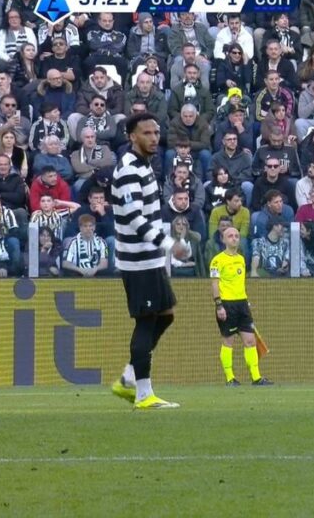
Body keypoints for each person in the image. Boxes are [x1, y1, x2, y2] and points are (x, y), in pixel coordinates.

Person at [110, 113, 185, 409]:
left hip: (149, 258)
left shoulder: (144, 165)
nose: (154, 138)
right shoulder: (129, 168)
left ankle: (129, 377)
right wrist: (168, 244)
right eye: (146, 133)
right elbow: (134, 217)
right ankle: (143, 393)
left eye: (156, 132)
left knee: (165, 314)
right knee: (146, 321)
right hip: (138, 260)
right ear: (132, 137)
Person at [210, 226, 273, 386]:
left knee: (250, 340)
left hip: (242, 304)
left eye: (236, 236)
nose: (234, 238)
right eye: (230, 236)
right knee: (228, 341)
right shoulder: (217, 260)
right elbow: (215, 284)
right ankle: (230, 378)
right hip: (227, 304)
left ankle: (256, 377)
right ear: (223, 239)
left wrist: (246, 300)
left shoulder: (241, 259)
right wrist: (219, 305)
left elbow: (240, 282)